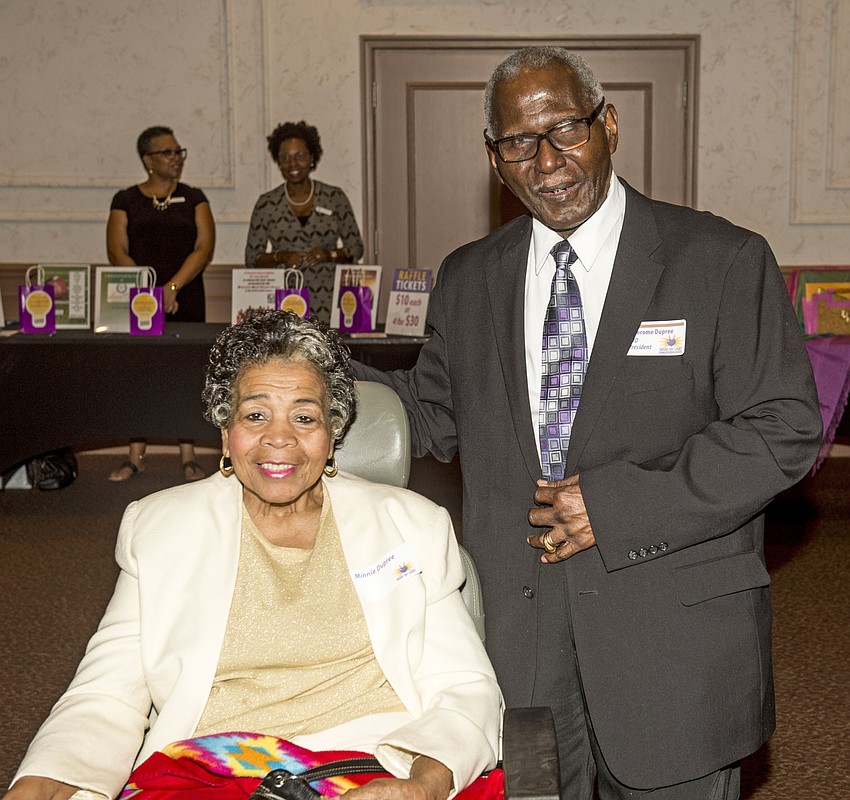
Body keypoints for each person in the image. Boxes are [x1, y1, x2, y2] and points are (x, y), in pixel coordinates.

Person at [353, 47, 822, 799]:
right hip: (520, 633)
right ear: (494, 158)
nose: (547, 161)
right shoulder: (470, 277)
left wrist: (613, 505)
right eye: (518, 142)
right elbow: (433, 418)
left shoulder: (720, 260)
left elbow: (783, 427)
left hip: (672, 634)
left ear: (608, 124)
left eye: (566, 129)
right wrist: (311, 377)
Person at [5, 310, 502, 800]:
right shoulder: (160, 529)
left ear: (334, 435)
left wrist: (421, 785)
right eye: (256, 414)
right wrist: (36, 784)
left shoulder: (412, 526)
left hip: (371, 769)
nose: (279, 438)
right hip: (209, 774)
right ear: (226, 432)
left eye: (304, 417)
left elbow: (463, 687)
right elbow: (105, 696)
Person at [106, 125, 216, 483]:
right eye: (168, 153)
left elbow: (203, 248)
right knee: (141, 371)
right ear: (148, 160)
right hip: (141, 300)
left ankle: (189, 455)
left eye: (178, 151)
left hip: (186, 295)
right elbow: (116, 251)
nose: (177, 158)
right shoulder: (125, 199)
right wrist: (151, 292)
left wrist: (172, 287)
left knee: (186, 371)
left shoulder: (194, 196)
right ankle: (135, 455)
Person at [245, 121, 364, 323]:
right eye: (285, 158)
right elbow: (252, 258)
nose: (293, 164)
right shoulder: (267, 203)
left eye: (300, 156)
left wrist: (329, 254)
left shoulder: (334, 197)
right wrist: (281, 255)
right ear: (278, 162)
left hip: (331, 300)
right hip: (284, 303)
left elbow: (356, 248)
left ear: (311, 158)